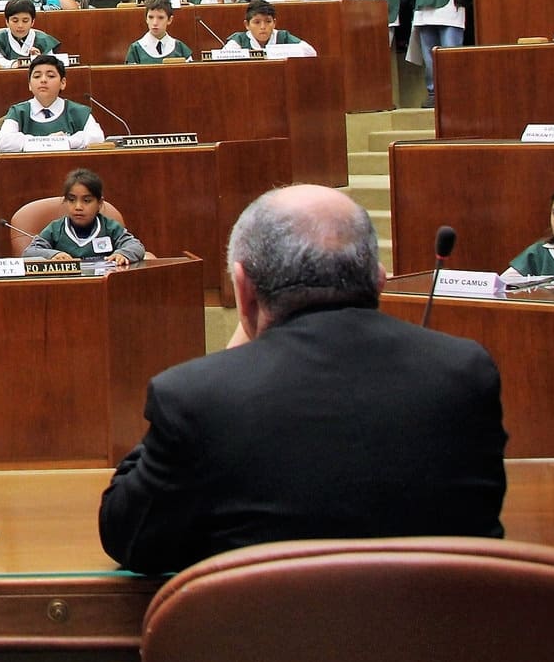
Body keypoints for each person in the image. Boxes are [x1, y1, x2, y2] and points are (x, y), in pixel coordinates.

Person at [99, 185, 505, 574]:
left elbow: (129, 537)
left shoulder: (197, 397)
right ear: (380, 280)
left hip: (266, 642)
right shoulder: (466, 373)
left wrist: (236, 351)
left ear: (243, 288)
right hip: (433, 640)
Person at [22, 168, 144, 267]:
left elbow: (136, 246)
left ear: (99, 203)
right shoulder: (55, 229)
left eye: (86, 200)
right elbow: (29, 252)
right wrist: (52, 255)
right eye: (71, 200)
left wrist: (123, 254)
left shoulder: (110, 227)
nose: (78, 207)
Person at [0, 55, 105, 152]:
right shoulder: (18, 112)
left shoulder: (78, 112)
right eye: (37, 76)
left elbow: (97, 138)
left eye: (51, 76)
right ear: (29, 85)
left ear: (63, 83)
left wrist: (65, 141)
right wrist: (48, 141)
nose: (43, 80)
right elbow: (4, 142)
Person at [217, 0, 318, 57]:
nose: (263, 27)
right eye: (257, 22)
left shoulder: (282, 36)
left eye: (268, 22)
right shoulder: (239, 39)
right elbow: (222, 59)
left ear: (274, 23)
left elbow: (311, 52)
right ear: (247, 25)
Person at [0, 0, 64, 67]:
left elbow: (52, 65)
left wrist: (40, 60)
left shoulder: (44, 40)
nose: (20, 25)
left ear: (32, 22)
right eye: (15, 21)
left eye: (25, 21)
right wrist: (14, 64)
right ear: (7, 22)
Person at [126, 0, 193, 62]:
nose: (155, 23)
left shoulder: (180, 48)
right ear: (146, 19)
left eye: (160, 18)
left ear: (169, 20)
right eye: (151, 17)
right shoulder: (136, 49)